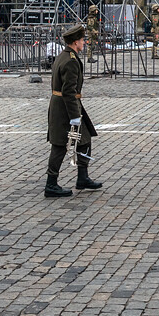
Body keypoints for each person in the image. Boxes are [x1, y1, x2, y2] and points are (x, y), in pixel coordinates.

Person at [45, 25, 101, 197]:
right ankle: (51, 184)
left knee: (84, 138)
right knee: (60, 145)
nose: (84, 43)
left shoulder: (64, 56)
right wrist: (74, 117)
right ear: (76, 42)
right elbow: (69, 91)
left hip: (64, 103)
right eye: (83, 40)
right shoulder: (70, 61)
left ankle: (82, 178)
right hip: (65, 106)